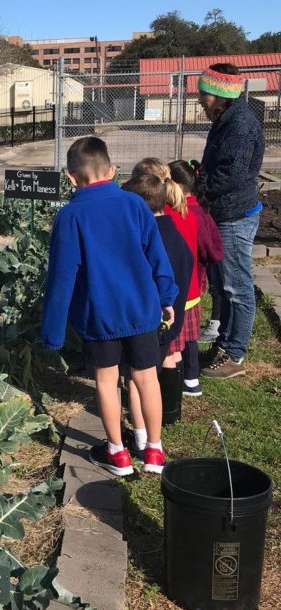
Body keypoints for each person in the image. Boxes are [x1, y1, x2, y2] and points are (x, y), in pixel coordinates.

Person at [41, 137, 176, 477]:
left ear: (70, 177)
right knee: (146, 379)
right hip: (142, 310)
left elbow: (61, 278)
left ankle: (117, 453)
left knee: (106, 380)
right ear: (113, 170)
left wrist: (52, 333)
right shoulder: (135, 205)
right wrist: (166, 296)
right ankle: (155, 451)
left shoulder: (70, 216)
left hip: (99, 315)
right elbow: (156, 255)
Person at [197, 63, 264, 379]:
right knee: (222, 286)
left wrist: (197, 188)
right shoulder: (225, 119)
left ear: (219, 95)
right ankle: (222, 342)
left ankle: (234, 355)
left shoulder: (239, 126)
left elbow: (232, 175)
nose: (200, 100)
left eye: (203, 94)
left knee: (237, 287)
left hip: (235, 216)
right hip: (222, 213)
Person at [122, 174, 193, 444]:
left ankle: (142, 437)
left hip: (153, 318)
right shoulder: (173, 230)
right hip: (173, 316)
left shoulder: (149, 236)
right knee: (168, 359)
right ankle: (170, 413)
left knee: (138, 377)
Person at [169, 160, 224, 397]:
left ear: (178, 185)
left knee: (173, 337)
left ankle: (175, 379)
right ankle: (192, 379)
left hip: (174, 287)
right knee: (190, 335)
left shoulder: (175, 213)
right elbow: (213, 250)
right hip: (193, 285)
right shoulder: (201, 212)